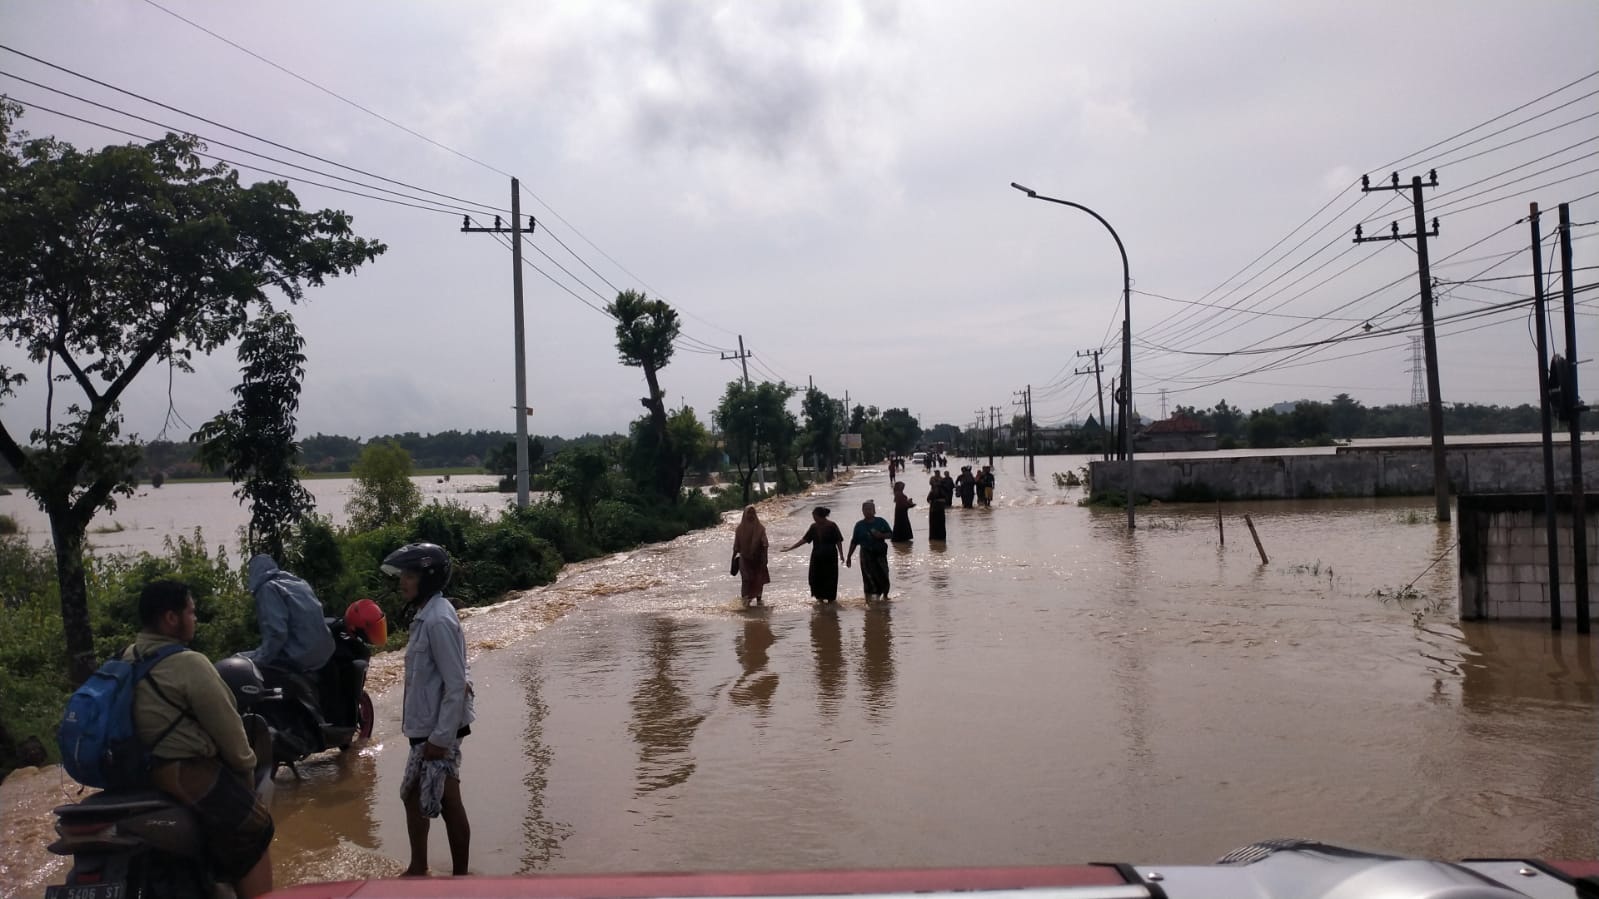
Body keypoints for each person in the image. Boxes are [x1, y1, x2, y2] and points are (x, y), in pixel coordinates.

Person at [127, 580, 274, 898]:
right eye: (191, 612)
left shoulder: (128, 657)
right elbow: (232, 739)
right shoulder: (190, 664)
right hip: (181, 771)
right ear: (170, 618)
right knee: (257, 826)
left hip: (137, 774)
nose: (195, 619)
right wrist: (247, 783)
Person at [384, 542, 474, 878]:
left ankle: (457, 877)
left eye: (410, 575)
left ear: (429, 578)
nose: (403, 581)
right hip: (427, 726)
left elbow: (455, 683)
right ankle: (420, 867)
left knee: (448, 803)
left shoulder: (437, 620)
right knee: (413, 796)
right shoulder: (428, 616)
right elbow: (458, 673)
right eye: (403, 575)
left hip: (438, 730)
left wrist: (441, 738)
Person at [782, 506, 846, 603]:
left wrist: (841, 554)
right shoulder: (814, 527)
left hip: (830, 557)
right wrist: (790, 548)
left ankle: (830, 601)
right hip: (817, 557)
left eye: (815, 517)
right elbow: (804, 540)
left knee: (830, 578)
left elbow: (838, 541)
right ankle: (819, 600)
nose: (814, 519)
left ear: (821, 516)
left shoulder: (832, 526)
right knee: (815, 578)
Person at [846, 500, 894, 600]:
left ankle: (885, 597)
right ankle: (869, 600)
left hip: (879, 553)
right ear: (862, 511)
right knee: (868, 577)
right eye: (865, 509)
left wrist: (881, 535)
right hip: (866, 554)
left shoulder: (881, 521)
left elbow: (891, 534)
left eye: (870, 509)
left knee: (883, 574)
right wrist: (849, 556)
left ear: (874, 511)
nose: (868, 511)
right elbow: (854, 541)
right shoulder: (859, 525)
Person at [732, 505, 771, 607]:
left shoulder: (760, 528)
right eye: (749, 513)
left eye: (753, 513)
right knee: (746, 579)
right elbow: (736, 546)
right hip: (744, 559)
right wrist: (732, 559)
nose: (751, 515)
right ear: (744, 514)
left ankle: (759, 602)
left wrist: (765, 557)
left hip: (758, 559)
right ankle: (744, 603)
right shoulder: (739, 529)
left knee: (759, 580)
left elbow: (765, 543)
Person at [927, 474, 948, 541]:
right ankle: (940, 538)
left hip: (934, 510)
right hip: (939, 510)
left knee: (935, 525)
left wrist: (934, 502)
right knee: (939, 525)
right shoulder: (941, 490)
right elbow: (946, 499)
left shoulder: (933, 491)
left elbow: (928, 500)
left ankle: (935, 539)